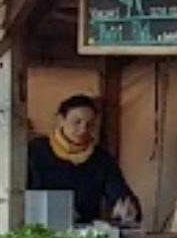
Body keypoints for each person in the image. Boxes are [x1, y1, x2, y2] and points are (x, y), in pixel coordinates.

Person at [27, 94, 140, 226]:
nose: (83, 129)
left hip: (84, 236)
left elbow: (120, 195)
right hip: (37, 232)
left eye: (90, 124)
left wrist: (128, 208)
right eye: (77, 122)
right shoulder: (35, 151)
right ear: (60, 119)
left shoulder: (101, 159)